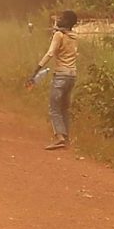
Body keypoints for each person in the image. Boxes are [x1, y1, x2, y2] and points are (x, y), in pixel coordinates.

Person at [26, 10, 79, 150]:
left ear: (67, 22)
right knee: (65, 108)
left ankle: (59, 137)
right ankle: (66, 138)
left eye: (61, 18)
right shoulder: (74, 36)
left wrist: (36, 70)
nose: (58, 19)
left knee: (54, 107)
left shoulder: (58, 35)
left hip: (61, 74)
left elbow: (50, 53)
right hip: (72, 75)